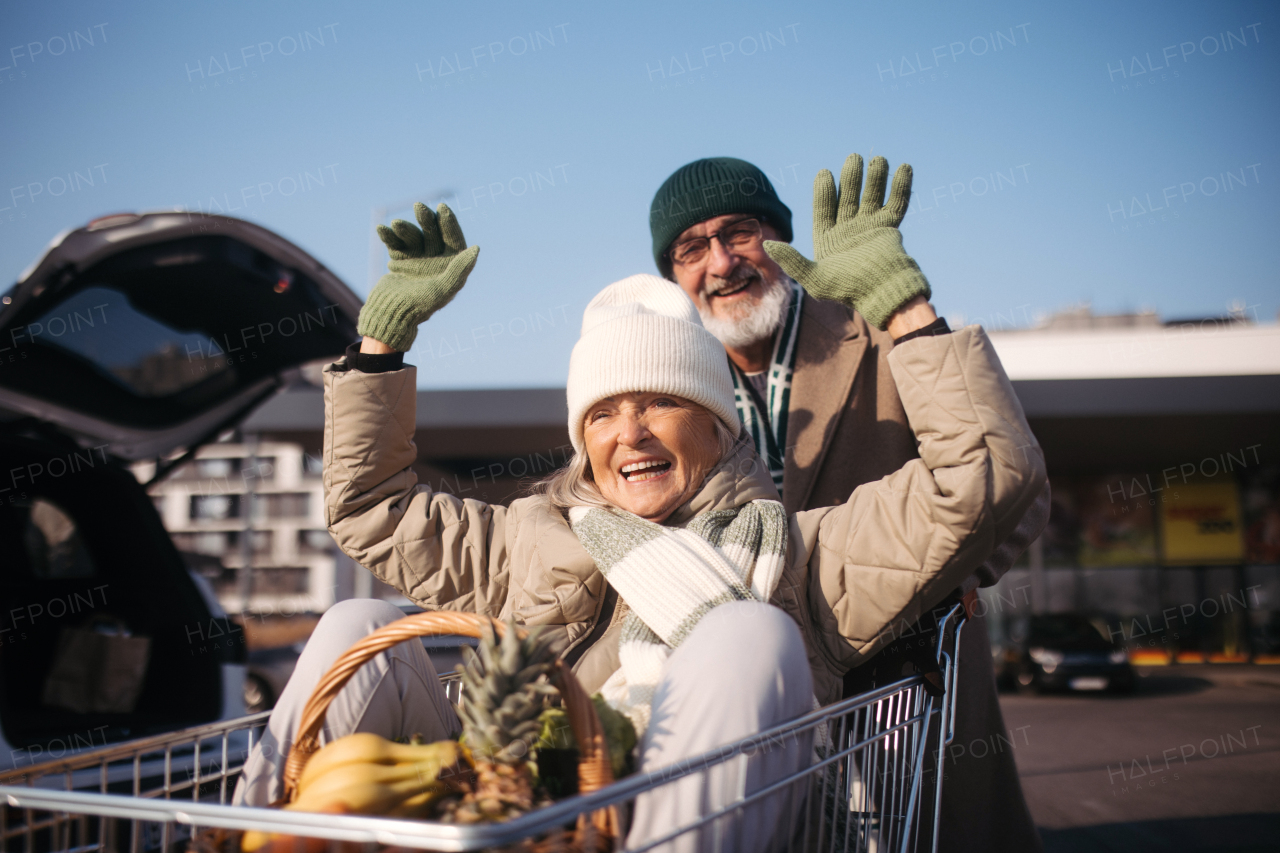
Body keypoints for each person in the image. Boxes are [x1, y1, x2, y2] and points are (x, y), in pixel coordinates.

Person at [234, 201, 1046, 851]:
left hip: (738, 819)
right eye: (605, 414)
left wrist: (905, 312)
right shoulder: (532, 539)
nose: (631, 433)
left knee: (748, 636)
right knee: (357, 624)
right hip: (531, 810)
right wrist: (379, 347)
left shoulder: (803, 552)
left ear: (716, 424)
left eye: (659, 401)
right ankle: (255, 840)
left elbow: (982, 479)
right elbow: (371, 508)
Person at [649, 154, 1049, 851]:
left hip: (903, 681)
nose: (720, 262)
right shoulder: (666, 383)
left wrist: (947, 575)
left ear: (779, 236)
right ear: (675, 277)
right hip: (754, 695)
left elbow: (1016, 486)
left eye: (740, 232)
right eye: (691, 248)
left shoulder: (879, 323)